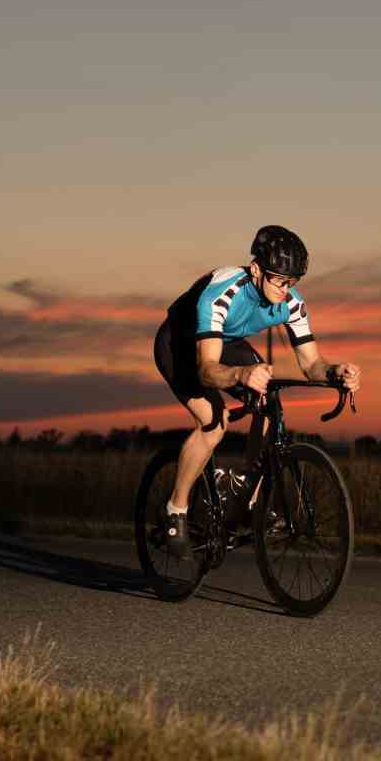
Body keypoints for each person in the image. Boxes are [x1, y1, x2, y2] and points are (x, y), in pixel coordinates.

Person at [151, 224, 362, 556]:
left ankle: (245, 490)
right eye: (279, 280)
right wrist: (241, 373)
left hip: (227, 342)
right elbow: (207, 370)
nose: (285, 290)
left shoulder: (291, 303)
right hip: (179, 343)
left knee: (268, 402)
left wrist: (336, 372)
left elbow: (311, 365)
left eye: (293, 282)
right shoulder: (222, 292)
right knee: (215, 421)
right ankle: (175, 510)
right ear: (256, 270)